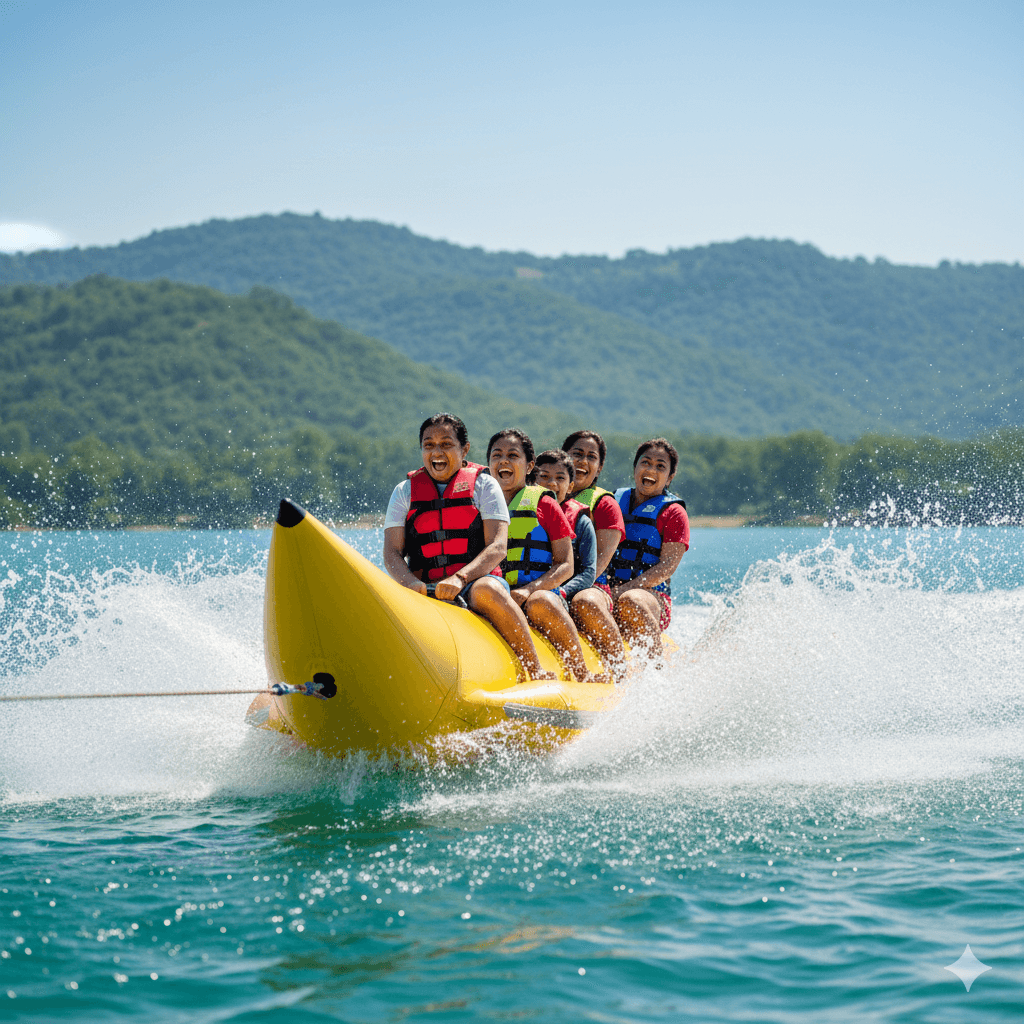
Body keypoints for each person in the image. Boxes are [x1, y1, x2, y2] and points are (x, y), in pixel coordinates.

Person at [383, 413, 555, 681]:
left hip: (474, 582)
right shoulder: (404, 491)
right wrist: (407, 582)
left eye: (446, 444)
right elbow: (392, 552)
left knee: (488, 589)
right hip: (422, 584)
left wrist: (460, 577)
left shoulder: (485, 485)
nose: (437, 452)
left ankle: (534, 668)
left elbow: (497, 546)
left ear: (464, 449)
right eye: (429, 445)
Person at [487, 430, 600, 684]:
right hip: (499, 591)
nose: (504, 461)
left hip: (539, 593)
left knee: (541, 602)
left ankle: (581, 672)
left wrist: (529, 590)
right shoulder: (482, 504)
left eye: (512, 455)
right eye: (497, 455)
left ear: (528, 467)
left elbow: (567, 565)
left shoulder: (544, 503)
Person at [602, 437, 689, 656]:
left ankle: (656, 670)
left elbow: (668, 566)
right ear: (635, 468)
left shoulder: (674, 513)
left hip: (652, 598)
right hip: (609, 589)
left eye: (660, 466)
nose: (651, 469)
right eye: (646, 462)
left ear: (670, 477)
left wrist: (624, 590)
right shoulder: (613, 500)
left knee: (630, 600)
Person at [562, 429, 627, 665]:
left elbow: (597, 566)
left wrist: (562, 590)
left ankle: (620, 670)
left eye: (591, 457)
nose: (582, 461)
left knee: (584, 602)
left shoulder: (605, 505)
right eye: (577, 454)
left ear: (599, 468)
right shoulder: (542, 498)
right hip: (547, 582)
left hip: (591, 587)